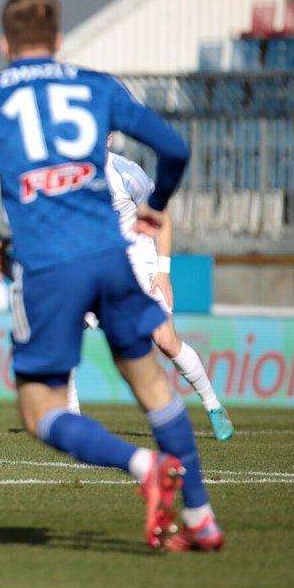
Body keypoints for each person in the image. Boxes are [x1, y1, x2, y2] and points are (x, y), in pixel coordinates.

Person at [0, 0, 223, 552]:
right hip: (111, 258)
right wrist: (156, 205)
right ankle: (201, 518)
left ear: (4, 44)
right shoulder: (94, 85)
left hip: (46, 266)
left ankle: (144, 466)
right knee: (152, 385)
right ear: (60, 41)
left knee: (39, 408)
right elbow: (175, 148)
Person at [67, 136, 235, 441]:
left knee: (166, 340)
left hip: (138, 265)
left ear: (109, 138)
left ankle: (213, 405)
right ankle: (74, 421)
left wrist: (164, 271)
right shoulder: (69, 175)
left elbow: (163, 218)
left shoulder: (127, 173)